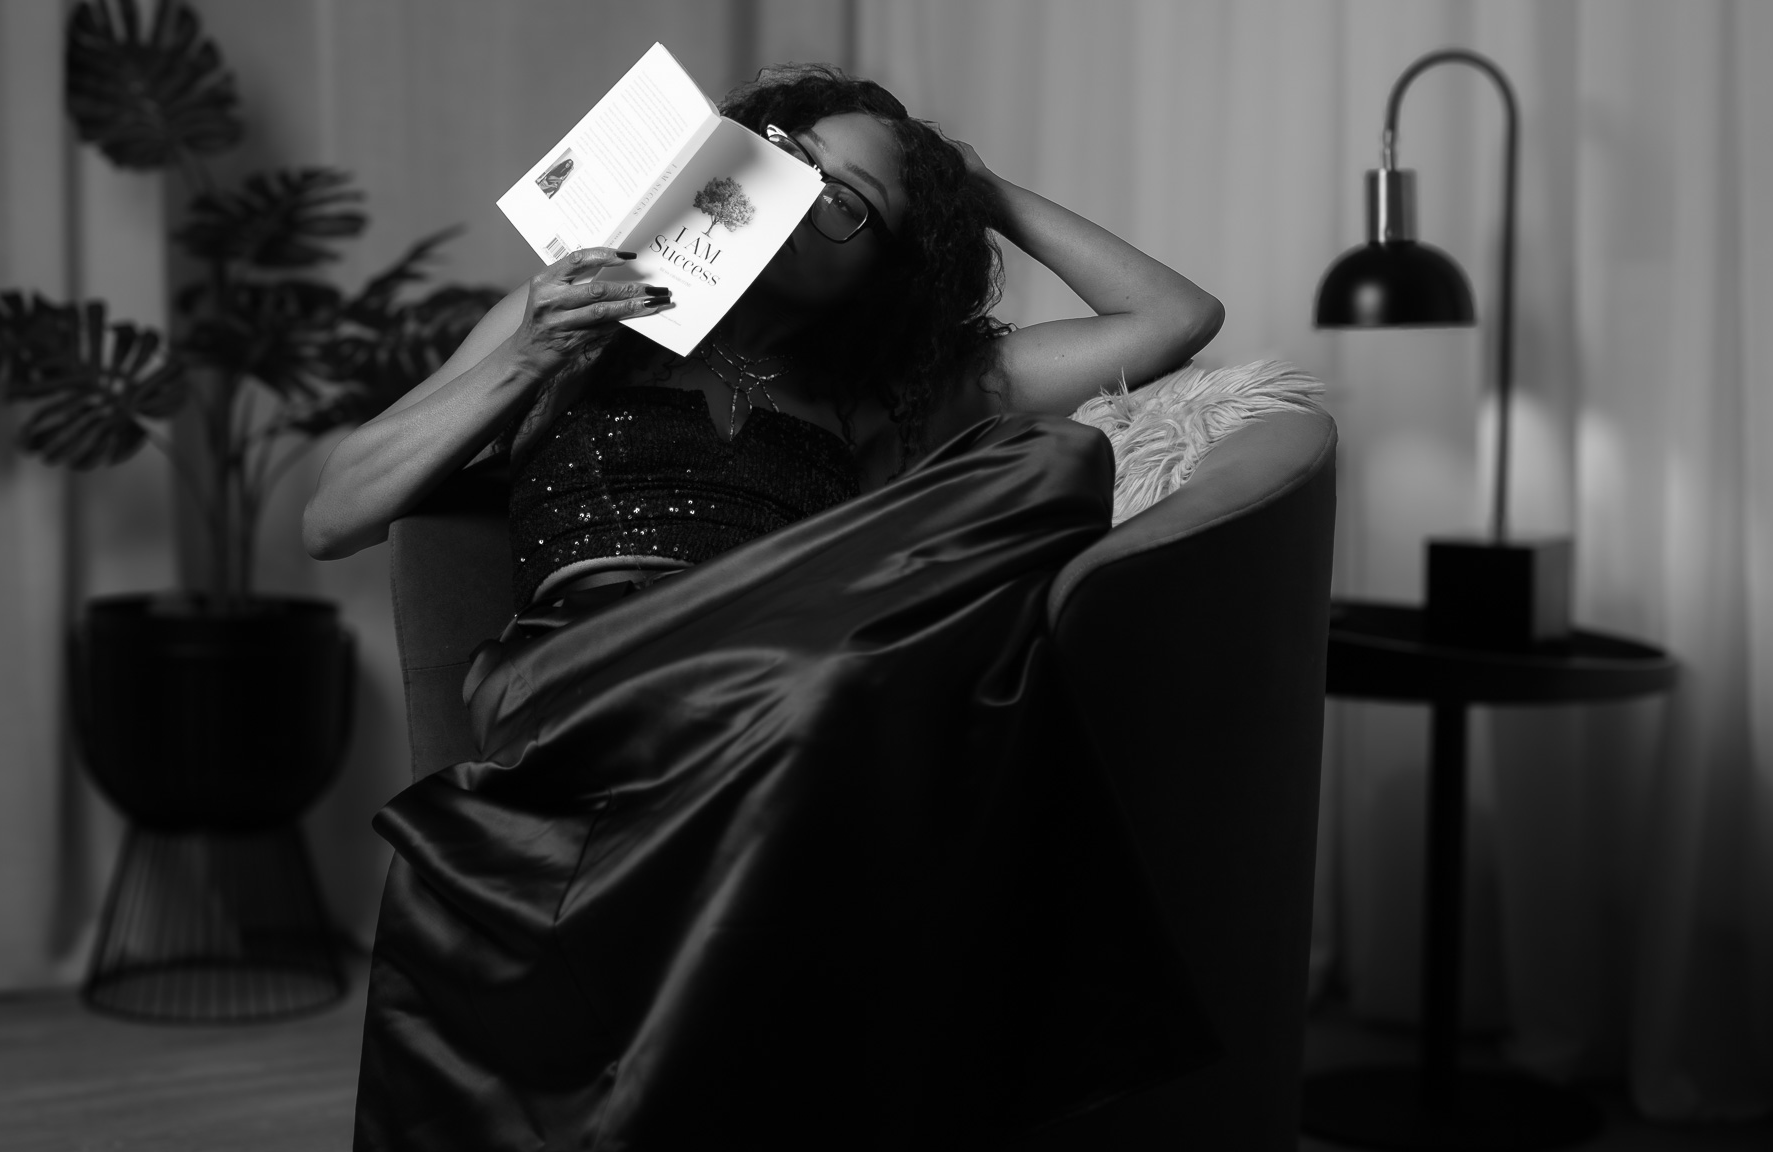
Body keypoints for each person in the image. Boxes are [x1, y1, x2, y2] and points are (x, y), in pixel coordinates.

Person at [306, 63, 1224, 1151]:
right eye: (784, 158)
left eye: (846, 202)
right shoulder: (580, 312)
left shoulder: (900, 389)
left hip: (781, 679)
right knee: (830, 684)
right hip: (577, 667)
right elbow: (334, 517)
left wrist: (969, 186)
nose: (795, 197)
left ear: (890, 266)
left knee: (1046, 461)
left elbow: (1173, 317)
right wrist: (531, 354)